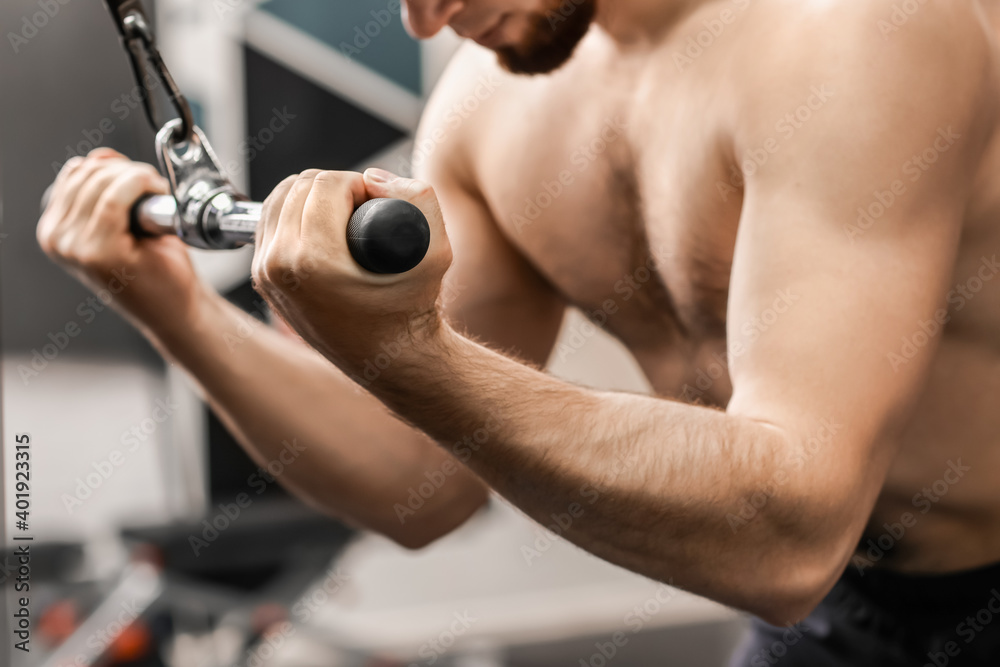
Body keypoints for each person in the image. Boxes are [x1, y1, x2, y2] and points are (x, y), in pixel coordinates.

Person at [37, 0, 1000, 663]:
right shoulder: (486, 110)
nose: (423, 18)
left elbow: (789, 535)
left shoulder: (851, 31)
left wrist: (409, 353)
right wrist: (175, 307)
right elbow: (419, 479)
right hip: (854, 608)